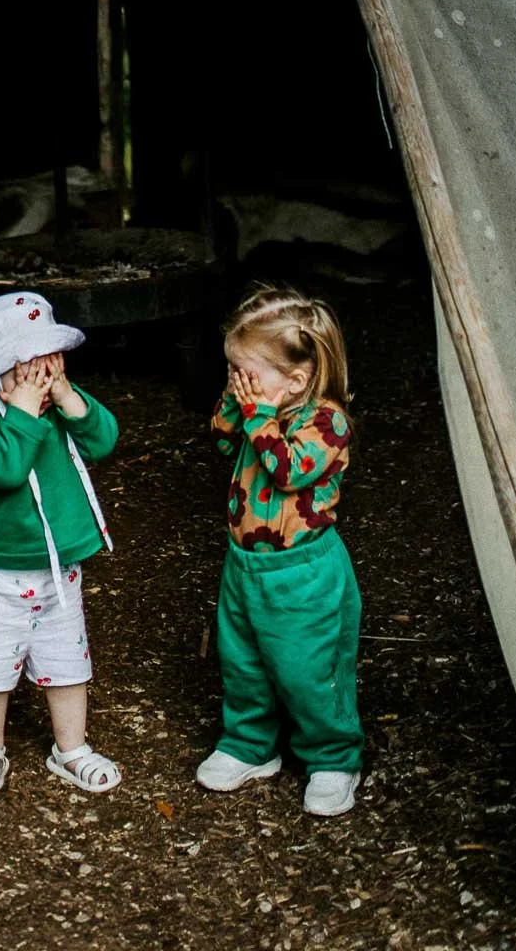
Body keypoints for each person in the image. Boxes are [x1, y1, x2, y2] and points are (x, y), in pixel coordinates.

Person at [0, 289, 122, 795]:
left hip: (56, 567)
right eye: (30, 366)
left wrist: (66, 397)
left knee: (67, 661)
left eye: (52, 362)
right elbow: (6, 470)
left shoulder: (59, 408)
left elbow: (104, 440)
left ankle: (71, 749)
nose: (44, 375)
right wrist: (22, 414)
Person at [196, 284, 364, 815]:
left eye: (248, 372)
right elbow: (222, 440)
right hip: (244, 567)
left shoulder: (326, 422)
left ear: (296, 379)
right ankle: (250, 746)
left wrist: (259, 417)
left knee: (307, 669)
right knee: (243, 661)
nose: (240, 383)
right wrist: (236, 402)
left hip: (303, 574)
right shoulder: (255, 410)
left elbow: (288, 472)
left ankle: (334, 757)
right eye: (233, 370)